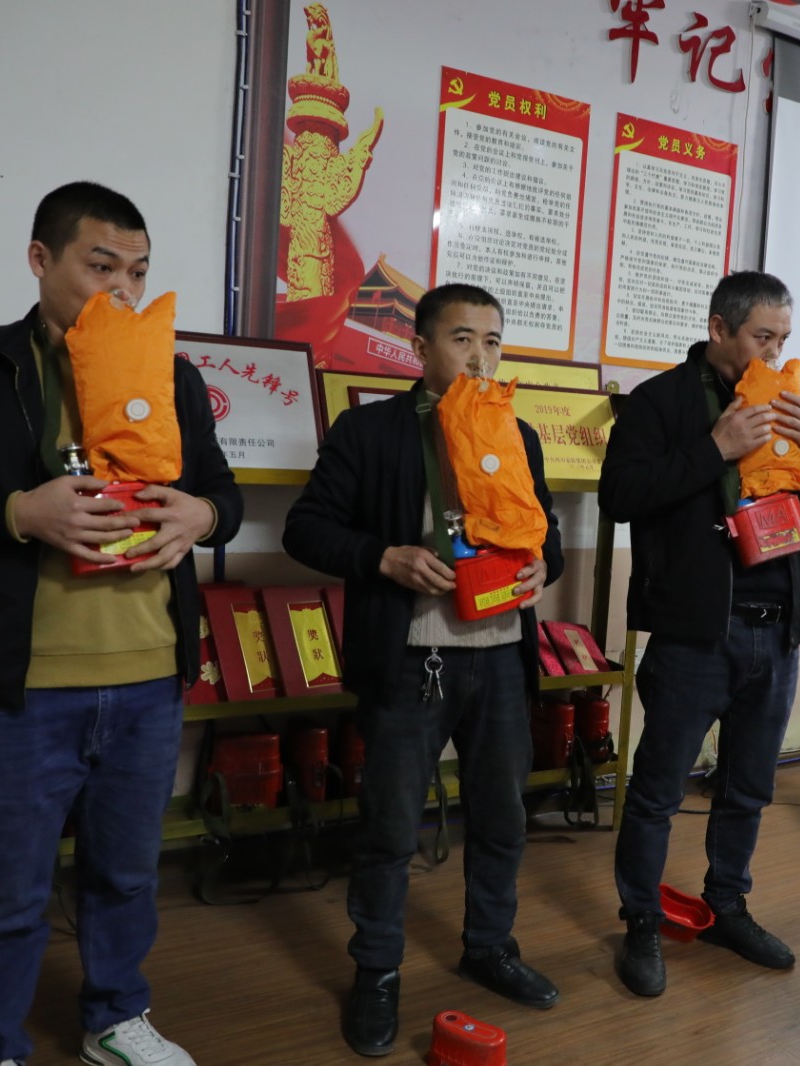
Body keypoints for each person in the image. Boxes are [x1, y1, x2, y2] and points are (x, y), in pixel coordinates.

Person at [0, 182, 243, 1066]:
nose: (123, 291)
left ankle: (115, 1019)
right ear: (40, 259)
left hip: (149, 678)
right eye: (101, 267)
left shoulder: (171, 374)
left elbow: (222, 494)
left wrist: (205, 517)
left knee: (128, 875)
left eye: (137, 272)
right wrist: (17, 512)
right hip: (20, 688)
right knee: (6, 888)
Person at [283, 282, 565, 1057]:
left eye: (493, 341)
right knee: (389, 827)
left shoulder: (517, 431)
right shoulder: (370, 430)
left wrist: (545, 565)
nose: (480, 356)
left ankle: (490, 947)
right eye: (462, 338)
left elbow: (546, 536)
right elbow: (307, 528)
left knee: (502, 818)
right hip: (413, 660)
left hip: (501, 657)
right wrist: (386, 557)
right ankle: (377, 970)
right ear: (420, 348)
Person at [600, 270, 800, 997]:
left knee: (749, 788)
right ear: (718, 329)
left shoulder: (785, 401)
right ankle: (642, 921)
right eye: (762, 336)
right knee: (657, 790)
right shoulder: (659, 402)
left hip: (777, 630)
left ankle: (728, 906)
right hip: (695, 634)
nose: (774, 352)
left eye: (783, 339)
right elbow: (620, 496)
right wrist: (715, 447)